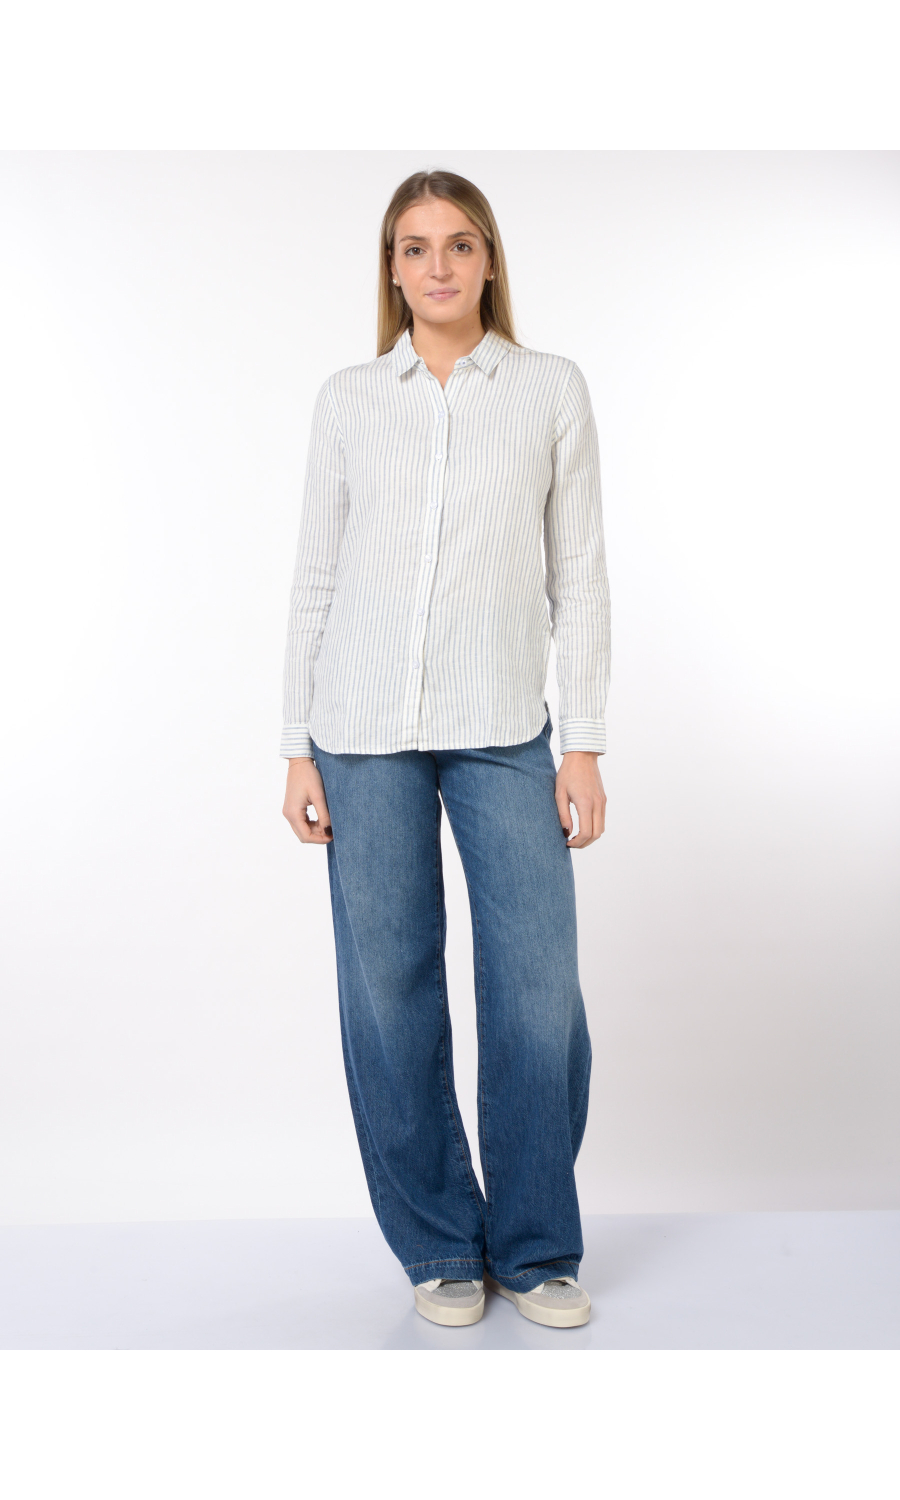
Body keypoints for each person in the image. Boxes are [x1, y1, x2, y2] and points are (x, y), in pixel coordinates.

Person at [280, 169, 610, 1330]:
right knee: (389, 993)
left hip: (506, 729)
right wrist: (294, 745)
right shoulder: (348, 400)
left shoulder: (550, 389)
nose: (437, 266)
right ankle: (436, 1243)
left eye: (459, 244)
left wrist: (585, 742)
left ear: (489, 260)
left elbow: (581, 575)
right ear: (391, 267)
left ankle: (535, 1244)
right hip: (358, 732)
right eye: (414, 247)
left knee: (537, 991)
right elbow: (316, 576)